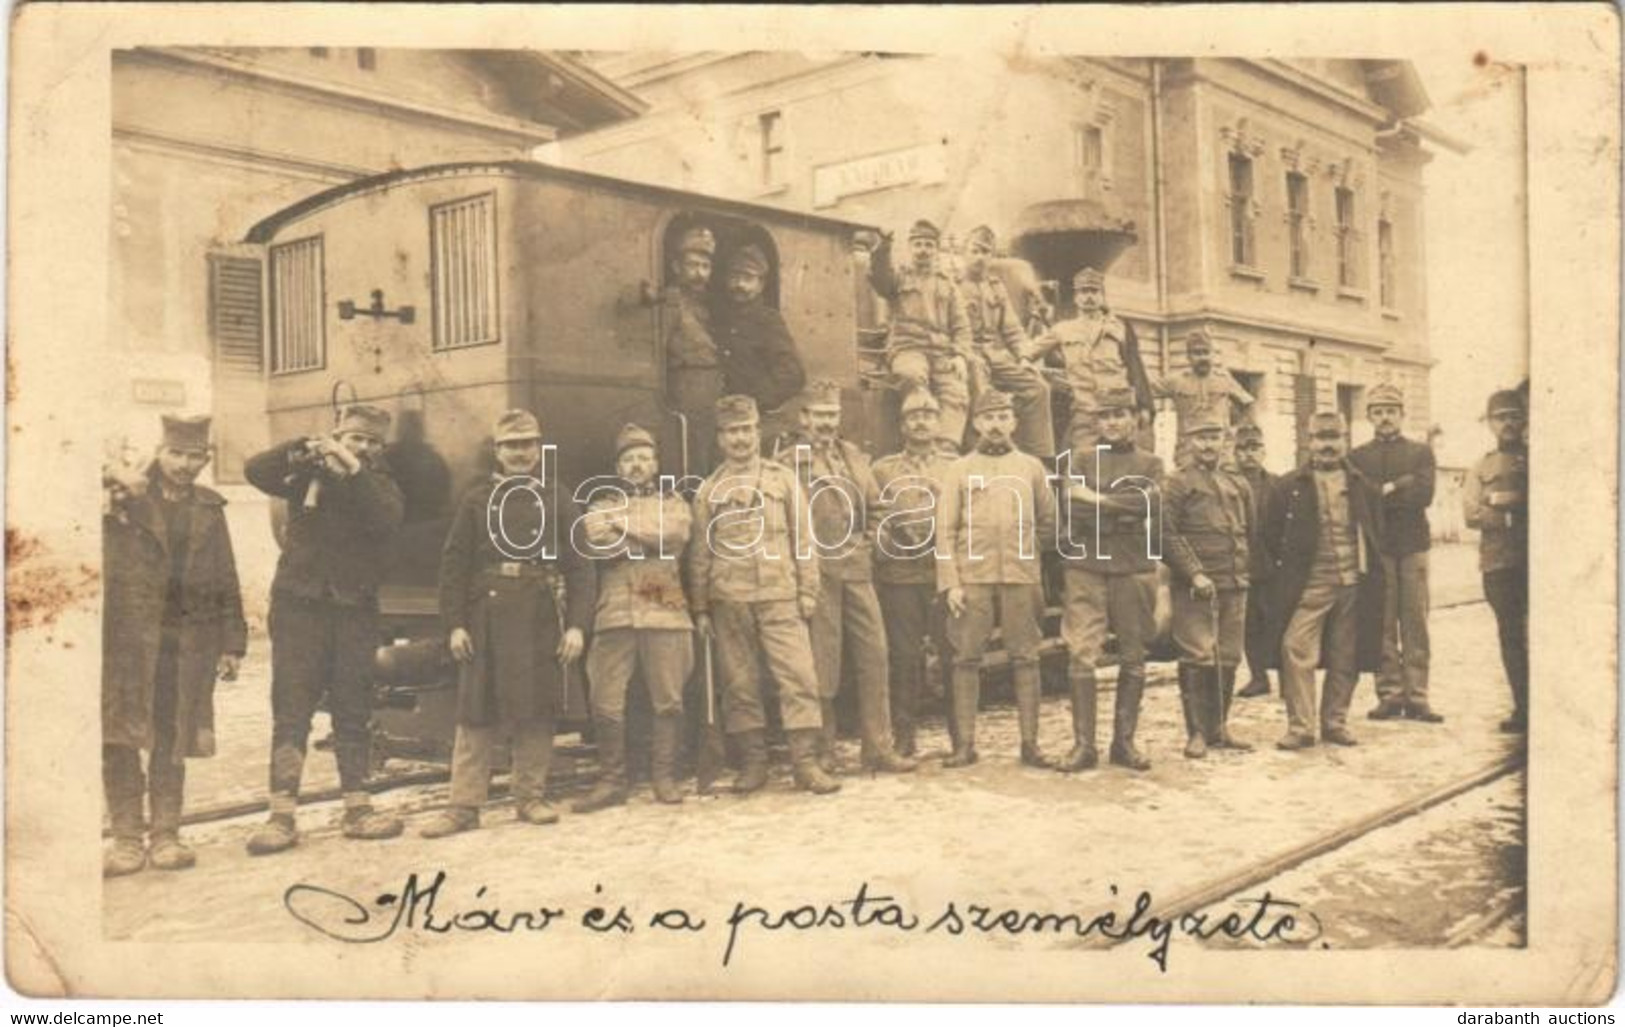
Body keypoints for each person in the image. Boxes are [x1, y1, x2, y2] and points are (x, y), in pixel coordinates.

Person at [418, 410, 595, 837]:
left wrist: (576, 626)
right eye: (511, 446)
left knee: (537, 710)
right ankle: (463, 806)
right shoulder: (477, 499)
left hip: (539, 616)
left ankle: (529, 796)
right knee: (475, 711)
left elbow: (581, 568)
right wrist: (455, 624)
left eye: (528, 445)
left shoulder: (558, 497)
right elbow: (453, 567)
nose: (520, 453)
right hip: (486, 618)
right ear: (498, 452)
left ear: (539, 450)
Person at [243, 404, 405, 854]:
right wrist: (300, 449)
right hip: (299, 608)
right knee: (291, 710)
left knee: (352, 709)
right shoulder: (302, 476)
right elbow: (255, 470)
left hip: (354, 610)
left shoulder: (380, 486)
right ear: (338, 435)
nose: (365, 447)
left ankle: (358, 808)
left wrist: (353, 469)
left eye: (372, 442)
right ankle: (281, 817)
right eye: (355, 439)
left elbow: (386, 518)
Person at [102, 415, 246, 877]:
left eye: (196, 455)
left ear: (206, 458)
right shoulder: (125, 501)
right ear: (159, 452)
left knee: (172, 736)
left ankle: (166, 834)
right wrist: (113, 480)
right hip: (126, 640)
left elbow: (226, 576)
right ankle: (126, 838)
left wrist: (232, 643)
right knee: (119, 737)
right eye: (176, 453)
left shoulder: (209, 507)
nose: (186, 464)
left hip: (186, 644)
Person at [689, 394, 840, 795]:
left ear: (757, 432)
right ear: (721, 438)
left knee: (799, 677)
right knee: (739, 683)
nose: (740, 438)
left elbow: (804, 540)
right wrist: (701, 606)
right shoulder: (709, 490)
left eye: (747, 430)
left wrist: (808, 590)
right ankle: (754, 765)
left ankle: (804, 764)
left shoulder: (782, 479)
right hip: (730, 598)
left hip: (780, 594)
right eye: (732, 431)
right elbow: (701, 552)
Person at [775, 381, 916, 774]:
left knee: (875, 655)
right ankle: (824, 751)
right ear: (804, 418)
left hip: (856, 569)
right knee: (823, 664)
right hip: (816, 572)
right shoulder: (788, 463)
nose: (825, 423)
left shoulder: (854, 456)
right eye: (818, 415)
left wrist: (868, 543)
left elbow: (876, 507)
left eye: (832, 415)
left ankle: (878, 747)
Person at [573, 424, 696, 811]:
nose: (637, 465)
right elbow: (595, 542)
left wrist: (621, 525)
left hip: (661, 601)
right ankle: (612, 780)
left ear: (656, 463)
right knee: (605, 697)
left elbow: (675, 533)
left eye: (644, 457)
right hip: (615, 607)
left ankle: (664, 776)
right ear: (618, 466)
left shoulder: (672, 501)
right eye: (629, 459)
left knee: (669, 697)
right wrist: (647, 539)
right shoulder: (598, 505)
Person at [935, 390, 1058, 768]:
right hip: (973, 578)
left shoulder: (1031, 467)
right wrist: (951, 583)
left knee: (1026, 657)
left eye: (1003, 417)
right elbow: (945, 531)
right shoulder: (959, 469)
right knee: (967, 658)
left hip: (1021, 576)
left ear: (1014, 423)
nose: (996, 425)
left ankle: (1030, 744)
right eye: (988, 418)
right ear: (975, 424)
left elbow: (1049, 522)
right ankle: (965, 745)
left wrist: (1026, 552)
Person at [1261, 412, 1386, 751]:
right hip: (1309, 584)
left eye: (1335, 437)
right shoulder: (1288, 487)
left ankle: (1335, 722)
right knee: (1295, 647)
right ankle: (1301, 727)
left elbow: (1377, 534)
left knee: (1346, 653)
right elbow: (1270, 538)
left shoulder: (1363, 485)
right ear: (1309, 440)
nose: (1328, 445)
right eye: (1321, 437)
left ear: (1346, 440)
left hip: (1352, 581)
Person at [1055, 387, 1163, 772]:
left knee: (1134, 652)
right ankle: (1084, 746)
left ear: (1135, 417)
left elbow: (1147, 504)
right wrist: (1118, 506)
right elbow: (1072, 508)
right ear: (1096, 421)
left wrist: (1097, 500)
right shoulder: (1081, 459)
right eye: (1105, 416)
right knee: (1081, 651)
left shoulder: (1151, 463)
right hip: (1086, 564)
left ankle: (1124, 743)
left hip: (1133, 566)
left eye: (1120, 414)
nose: (1113, 422)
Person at [1163, 412, 1255, 758]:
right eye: (1200, 438)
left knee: (1229, 656)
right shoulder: (1177, 483)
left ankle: (1219, 728)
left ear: (1223, 441)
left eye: (1214, 437)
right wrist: (1193, 573)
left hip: (1234, 581)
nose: (1207, 444)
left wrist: (1243, 572)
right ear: (1188, 442)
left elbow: (1251, 531)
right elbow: (1164, 534)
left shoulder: (1237, 484)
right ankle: (1197, 733)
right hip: (1196, 584)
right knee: (1198, 653)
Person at [871, 391, 954, 757]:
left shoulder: (956, 466)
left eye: (928, 415)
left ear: (939, 423)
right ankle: (905, 737)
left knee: (952, 653)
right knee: (904, 657)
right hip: (901, 577)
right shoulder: (883, 469)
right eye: (913, 417)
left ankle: (960, 736)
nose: (921, 422)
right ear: (902, 425)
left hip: (943, 576)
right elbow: (875, 517)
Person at [1350, 383, 1439, 723]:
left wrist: (1383, 492)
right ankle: (1389, 694)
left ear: (1402, 415)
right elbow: (1361, 499)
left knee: (1415, 622)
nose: (1385, 418)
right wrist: (1401, 484)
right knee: (1383, 623)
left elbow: (1424, 495)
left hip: (1413, 545)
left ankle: (1418, 696)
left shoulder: (1421, 453)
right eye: (1378, 411)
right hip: (1377, 548)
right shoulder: (1358, 457)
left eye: (1391, 411)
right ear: (1369, 416)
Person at [869, 219, 974, 451]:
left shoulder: (948, 285)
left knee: (956, 390)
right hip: (908, 348)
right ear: (910, 248)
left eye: (928, 245)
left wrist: (960, 356)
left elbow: (962, 327)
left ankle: (946, 449)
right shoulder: (899, 278)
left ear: (936, 250)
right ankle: (918, 440)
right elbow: (880, 280)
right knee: (912, 377)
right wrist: (883, 246)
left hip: (942, 353)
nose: (923, 250)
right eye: (918, 244)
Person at [1026, 267, 1156, 455]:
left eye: (1094, 291)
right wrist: (1043, 376)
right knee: (1084, 462)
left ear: (1102, 296)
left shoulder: (1119, 327)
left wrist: (1145, 406)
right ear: (1076, 297)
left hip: (1118, 409)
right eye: (1083, 291)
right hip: (1085, 412)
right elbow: (1027, 354)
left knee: (1124, 464)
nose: (1089, 297)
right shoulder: (1062, 330)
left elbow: (1136, 368)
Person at [960, 225, 1055, 459]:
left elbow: (1012, 330)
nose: (980, 257)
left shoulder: (995, 287)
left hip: (993, 354)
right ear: (964, 252)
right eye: (975, 250)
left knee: (1038, 388)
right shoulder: (952, 284)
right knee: (982, 391)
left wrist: (1025, 357)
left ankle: (1039, 457)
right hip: (965, 352)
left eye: (986, 252)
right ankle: (980, 454)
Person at [1464, 389, 1528, 733]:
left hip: (1535, 563)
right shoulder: (1482, 465)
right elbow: (1471, 513)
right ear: (1489, 423)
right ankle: (1522, 707)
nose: (1508, 423)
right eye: (1500, 417)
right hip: (1497, 564)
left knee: (1544, 634)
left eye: (1513, 416)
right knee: (1510, 635)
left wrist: (1502, 499)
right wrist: (1514, 509)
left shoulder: (1538, 458)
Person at [711, 243, 807, 431]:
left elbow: (793, 375)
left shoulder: (768, 321)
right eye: (734, 277)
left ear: (760, 285)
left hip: (754, 424)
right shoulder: (720, 318)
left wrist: (754, 402)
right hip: (722, 421)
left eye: (748, 278)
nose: (739, 285)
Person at [1152, 327, 1255, 470]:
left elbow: (1248, 404)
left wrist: (1236, 433)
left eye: (1206, 353)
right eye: (1197, 353)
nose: (1202, 358)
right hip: (1188, 451)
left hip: (1221, 452)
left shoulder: (1224, 379)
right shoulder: (1176, 380)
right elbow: (1144, 392)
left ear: (1212, 355)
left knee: (1224, 487)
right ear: (1188, 357)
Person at [664, 225, 723, 474]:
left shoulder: (709, 306)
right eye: (692, 265)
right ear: (677, 267)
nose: (700, 273)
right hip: (687, 394)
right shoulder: (670, 301)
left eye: (705, 266)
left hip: (713, 397)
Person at [1234, 423, 1280, 698]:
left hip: (1273, 564)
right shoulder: (1229, 483)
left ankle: (1288, 678)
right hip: (1242, 564)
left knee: (1279, 622)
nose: (1248, 455)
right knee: (1249, 624)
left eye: (1254, 448)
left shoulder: (1278, 484)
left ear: (1263, 452)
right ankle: (1258, 676)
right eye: (1242, 449)